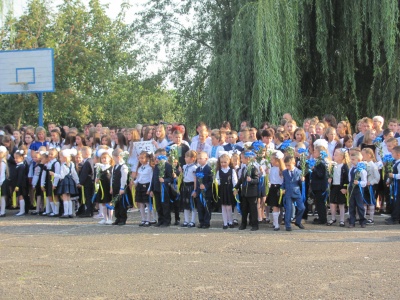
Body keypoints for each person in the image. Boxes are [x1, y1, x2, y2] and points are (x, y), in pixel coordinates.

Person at [233, 151, 259, 231]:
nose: (241, 160)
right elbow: (241, 179)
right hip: (244, 193)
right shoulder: (244, 168)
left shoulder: (254, 168)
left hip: (252, 193)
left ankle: (255, 224)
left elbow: (257, 180)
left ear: (247, 159)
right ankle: (243, 224)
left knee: (253, 209)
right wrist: (236, 187)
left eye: (242, 158)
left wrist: (251, 180)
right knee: (244, 209)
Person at [50, 149, 79, 218]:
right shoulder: (72, 164)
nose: (60, 159)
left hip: (65, 181)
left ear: (64, 158)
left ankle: (66, 213)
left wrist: (54, 174)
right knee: (68, 197)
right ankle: (70, 212)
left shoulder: (63, 166)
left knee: (65, 197)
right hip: (70, 181)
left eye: (60, 157)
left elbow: (62, 176)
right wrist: (77, 182)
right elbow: (74, 174)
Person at [281, 156, 305, 231]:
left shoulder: (299, 172)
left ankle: (297, 221)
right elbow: (284, 182)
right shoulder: (284, 172)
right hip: (288, 192)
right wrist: (282, 188)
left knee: (302, 207)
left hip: (296, 192)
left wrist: (302, 180)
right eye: (286, 165)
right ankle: (287, 225)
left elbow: (300, 183)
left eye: (289, 165)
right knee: (289, 209)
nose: (287, 167)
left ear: (293, 163)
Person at [149, 149, 173, 227]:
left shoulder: (168, 166)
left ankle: (167, 221)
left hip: (164, 189)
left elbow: (170, 178)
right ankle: (160, 220)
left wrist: (164, 180)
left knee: (165, 205)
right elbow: (153, 178)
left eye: (157, 157)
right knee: (158, 205)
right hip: (156, 189)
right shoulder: (156, 166)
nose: (156, 159)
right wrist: (151, 189)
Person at [327, 149, 349, 227]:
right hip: (334, 186)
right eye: (334, 154)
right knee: (332, 203)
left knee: (341, 204)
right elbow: (330, 174)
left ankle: (342, 220)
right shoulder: (333, 165)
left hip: (341, 187)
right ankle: (333, 218)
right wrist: (330, 179)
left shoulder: (344, 166)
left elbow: (346, 178)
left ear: (341, 157)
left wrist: (345, 187)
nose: (334, 156)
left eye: (336, 155)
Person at [216, 153, 238, 229]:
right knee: (223, 207)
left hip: (229, 189)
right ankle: (225, 223)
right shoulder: (219, 171)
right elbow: (217, 181)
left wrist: (235, 189)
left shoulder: (232, 171)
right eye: (221, 162)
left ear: (229, 161)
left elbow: (235, 181)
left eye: (225, 162)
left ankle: (230, 221)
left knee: (229, 207)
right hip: (222, 190)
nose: (223, 164)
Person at [310, 140, 329, 225]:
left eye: (315, 152)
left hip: (320, 187)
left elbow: (321, 175)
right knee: (318, 203)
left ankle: (323, 219)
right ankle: (320, 217)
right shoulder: (318, 162)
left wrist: (314, 169)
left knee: (320, 204)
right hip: (316, 186)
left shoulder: (321, 163)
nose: (314, 153)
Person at [348, 152, 367, 228]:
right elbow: (350, 179)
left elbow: (364, 182)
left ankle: (362, 220)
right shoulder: (351, 169)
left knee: (360, 205)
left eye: (353, 159)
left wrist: (358, 182)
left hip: (358, 190)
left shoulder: (362, 170)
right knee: (351, 205)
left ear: (358, 160)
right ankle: (352, 221)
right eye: (351, 159)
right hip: (352, 189)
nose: (351, 161)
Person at [266, 151, 285, 231]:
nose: (271, 161)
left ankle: (278, 222)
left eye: (272, 160)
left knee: (279, 206)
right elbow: (270, 179)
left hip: (280, 189)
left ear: (277, 160)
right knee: (274, 206)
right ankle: (276, 224)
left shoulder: (282, 170)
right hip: (273, 188)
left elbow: (284, 180)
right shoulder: (271, 168)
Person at [110, 149, 129, 225]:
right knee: (116, 203)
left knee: (122, 203)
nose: (113, 159)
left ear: (118, 157)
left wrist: (122, 188)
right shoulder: (115, 166)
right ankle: (117, 217)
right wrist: (111, 187)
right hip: (115, 187)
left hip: (120, 187)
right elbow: (112, 177)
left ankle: (123, 218)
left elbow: (124, 178)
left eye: (113, 157)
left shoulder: (123, 166)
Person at [134, 151, 153, 227]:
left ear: (147, 158)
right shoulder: (140, 168)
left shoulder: (149, 168)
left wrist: (149, 189)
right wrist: (135, 182)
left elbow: (151, 179)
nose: (141, 160)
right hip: (140, 186)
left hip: (146, 186)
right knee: (141, 204)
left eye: (142, 158)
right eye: (140, 158)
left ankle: (148, 220)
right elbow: (139, 178)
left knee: (147, 204)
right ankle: (143, 219)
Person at [361, 148, 380, 225]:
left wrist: (371, 182)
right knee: (364, 202)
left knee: (371, 202)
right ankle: (364, 217)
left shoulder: (373, 165)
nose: (362, 156)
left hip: (370, 187)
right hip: (364, 186)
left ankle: (371, 218)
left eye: (363, 155)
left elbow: (377, 177)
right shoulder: (363, 164)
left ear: (369, 155)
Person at [95, 149, 113, 225]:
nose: (104, 159)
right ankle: (105, 218)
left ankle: (111, 218)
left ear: (109, 159)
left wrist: (112, 187)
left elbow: (112, 178)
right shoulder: (99, 168)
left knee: (109, 202)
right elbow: (96, 180)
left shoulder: (111, 168)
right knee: (103, 203)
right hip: (102, 188)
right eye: (102, 158)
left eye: (105, 158)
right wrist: (97, 179)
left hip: (108, 187)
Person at [179, 150, 198, 228]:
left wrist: (195, 190)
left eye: (187, 157)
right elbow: (183, 176)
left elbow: (195, 180)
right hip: (185, 186)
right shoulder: (184, 166)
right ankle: (186, 220)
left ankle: (192, 221)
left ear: (193, 158)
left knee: (192, 204)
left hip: (191, 186)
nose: (185, 158)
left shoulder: (194, 167)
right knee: (185, 204)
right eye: (185, 157)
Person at [195, 151, 213, 229]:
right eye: (198, 159)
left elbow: (211, 181)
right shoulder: (198, 169)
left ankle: (206, 222)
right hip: (199, 192)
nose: (199, 160)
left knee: (207, 207)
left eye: (201, 158)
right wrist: (196, 191)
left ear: (206, 159)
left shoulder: (209, 169)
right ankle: (201, 221)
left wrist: (205, 186)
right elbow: (196, 181)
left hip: (207, 192)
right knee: (200, 207)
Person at [41, 147, 60, 217]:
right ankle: (53, 210)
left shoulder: (56, 163)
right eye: (49, 154)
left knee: (55, 196)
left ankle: (56, 211)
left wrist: (55, 184)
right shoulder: (49, 163)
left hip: (54, 182)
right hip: (49, 181)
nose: (50, 155)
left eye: (52, 154)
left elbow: (57, 174)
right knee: (50, 196)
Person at [77, 147, 94, 218]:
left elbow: (84, 174)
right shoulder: (91, 161)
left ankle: (88, 211)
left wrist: (80, 182)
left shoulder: (87, 162)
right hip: (90, 182)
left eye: (82, 153)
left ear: (86, 153)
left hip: (88, 182)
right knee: (88, 196)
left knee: (88, 197)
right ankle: (89, 211)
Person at [386, 146, 400, 224]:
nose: (392, 154)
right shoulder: (396, 162)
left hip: (398, 185)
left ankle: (395, 217)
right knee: (395, 200)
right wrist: (389, 180)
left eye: (393, 153)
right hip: (396, 185)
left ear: (398, 154)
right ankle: (395, 216)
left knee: (397, 201)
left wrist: (393, 176)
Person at [13, 149, 27, 216]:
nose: (15, 159)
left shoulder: (21, 166)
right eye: (14, 158)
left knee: (21, 196)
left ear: (21, 158)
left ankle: (22, 210)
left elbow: (20, 177)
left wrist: (17, 185)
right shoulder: (18, 166)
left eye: (17, 158)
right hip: (18, 184)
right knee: (19, 196)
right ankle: (21, 210)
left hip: (21, 184)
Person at [31, 151, 44, 215]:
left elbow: (36, 176)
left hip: (38, 182)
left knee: (38, 195)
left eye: (36, 157)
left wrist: (34, 184)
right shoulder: (41, 165)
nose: (34, 158)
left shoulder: (38, 166)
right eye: (34, 157)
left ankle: (38, 209)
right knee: (40, 195)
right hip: (41, 181)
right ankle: (41, 208)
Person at [0, 146, 8, 217]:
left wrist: (0, 182)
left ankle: (2, 211)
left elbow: (2, 174)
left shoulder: (3, 162)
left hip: (2, 181)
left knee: (2, 196)